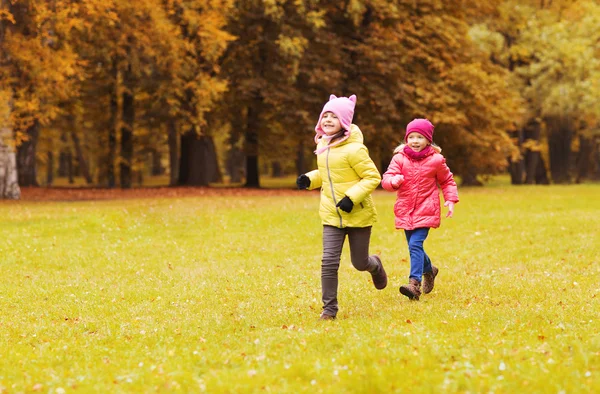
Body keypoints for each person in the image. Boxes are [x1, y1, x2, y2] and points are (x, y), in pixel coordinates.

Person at [296, 94, 387, 320]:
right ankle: (329, 309)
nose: (327, 119)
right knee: (328, 262)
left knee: (359, 262)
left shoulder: (355, 150)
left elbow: (372, 177)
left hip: (357, 214)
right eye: (325, 115)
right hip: (331, 213)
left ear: (344, 122)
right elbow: (328, 176)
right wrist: (310, 179)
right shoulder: (323, 145)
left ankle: (375, 265)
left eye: (333, 116)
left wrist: (351, 198)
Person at [381, 118, 459, 300]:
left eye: (420, 137)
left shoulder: (436, 160)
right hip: (405, 210)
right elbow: (387, 178)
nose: (415, 141)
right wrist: (393, 182)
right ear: (406, 139)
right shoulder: (399, 158)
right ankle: (429, 270)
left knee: (415, 244)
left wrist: (451, 199)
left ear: (428, 141)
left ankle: (413, 285)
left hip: (426, 209)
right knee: (413, 246)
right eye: (411, 137)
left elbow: (447, 180)